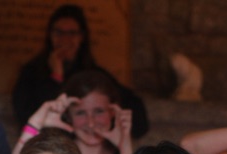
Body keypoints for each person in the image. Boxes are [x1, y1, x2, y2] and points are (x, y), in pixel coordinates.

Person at [11, 3, 148, 139]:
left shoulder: (95, 75)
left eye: (72, 33)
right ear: (50, 35)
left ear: (81, 37)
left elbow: (138, 119)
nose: (65, 39)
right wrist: (56, 77)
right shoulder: (31, 73)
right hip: (47, 150)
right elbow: (26, 117)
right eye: (59, 32)